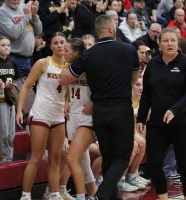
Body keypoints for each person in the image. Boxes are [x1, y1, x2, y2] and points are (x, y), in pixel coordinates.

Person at [59, 15, 140, 200]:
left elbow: (64, 78)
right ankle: (100, 196)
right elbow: (134, 80)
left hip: (99, 112)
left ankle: (113, 197)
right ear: (112, 28)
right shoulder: (129, 49)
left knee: (109, 157)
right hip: (120, 108)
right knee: (123, 156)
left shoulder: (89, 53)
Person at [136, 28, 186, 200]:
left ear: (178, 43)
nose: (169, 43)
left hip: (184, 123)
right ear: (159, 43)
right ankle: (163, 197)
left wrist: (175, 110)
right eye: (165, 40)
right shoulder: (153, 65)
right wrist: (141, 117)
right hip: (158, 123)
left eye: (173, 40)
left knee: (185, 164)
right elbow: (147, 94)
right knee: (154, 163)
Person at [16, 32, 67, 200]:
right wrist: (19, 109)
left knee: (55, 159)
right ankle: (25, 196)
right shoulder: (43, 63)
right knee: (36, 158)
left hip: (59, 117)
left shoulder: (71, 66)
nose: (59, 45)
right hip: (40, 115)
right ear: (51, 46)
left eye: (62, 42)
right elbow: (26, 86)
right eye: (56, 43)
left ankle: (53, 194)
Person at [64, 38, 96, 200]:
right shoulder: (68, 68)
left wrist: (94, 101)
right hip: (73, 115)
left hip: (88, 117)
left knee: (72, 158)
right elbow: (67, 89)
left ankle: (80, 196)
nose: (63, 53)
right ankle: (93, 195)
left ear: (77, 53)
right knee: (83, 161)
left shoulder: (91, 67)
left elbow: (104, 86)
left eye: (67, 50)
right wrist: (65, 101)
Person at [0, 0, 42, 78]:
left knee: (27, 89)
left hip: (29, 59)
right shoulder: (2, 12)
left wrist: (34, 15)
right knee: (18, 88)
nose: (16, 1)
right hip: (14, 59)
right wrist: (27, 16)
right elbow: (14, 33)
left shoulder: (24, 7)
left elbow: (38, 31)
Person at [0, 36, 17, 163]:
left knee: (11, 133)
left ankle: (10, 158)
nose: (6, 47)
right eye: (3, 45)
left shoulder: (12, 63)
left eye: (8, 45)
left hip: (11, 101)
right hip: (0, 101)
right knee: (2, 132)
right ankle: (2, 157)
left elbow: (17, 80)